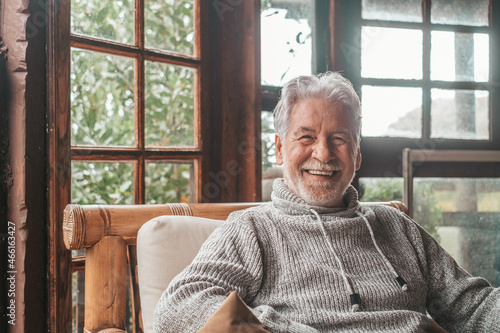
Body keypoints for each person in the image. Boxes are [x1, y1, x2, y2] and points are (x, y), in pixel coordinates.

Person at [154, 72, 500, 332]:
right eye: (306, 137)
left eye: (339, 139)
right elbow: (177, 307)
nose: (323, 153)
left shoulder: (396, 226)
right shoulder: (252, 229)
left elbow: (473, 307)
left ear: (358, 154)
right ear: (278, 148)